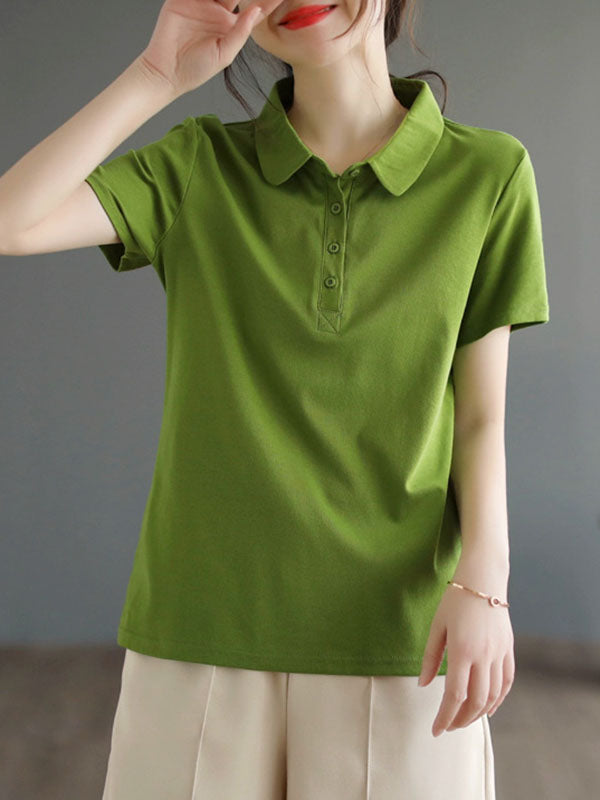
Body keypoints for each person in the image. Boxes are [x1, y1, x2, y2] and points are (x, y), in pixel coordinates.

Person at [0, 0, 550, 797]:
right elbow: (10, 221)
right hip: (200, 630)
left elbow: (480, 416)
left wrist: (484, 584)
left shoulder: (489, 173)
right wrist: (155, 76)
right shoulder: (198, 165)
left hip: (404, 630)